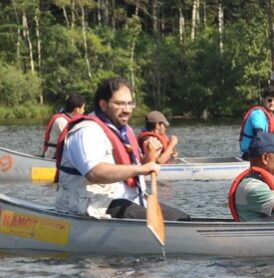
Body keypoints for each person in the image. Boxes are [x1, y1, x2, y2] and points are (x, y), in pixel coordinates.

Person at [54, 76, 189, 221]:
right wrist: (142, 169)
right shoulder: (87, 131)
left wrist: (149, 157)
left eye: (130, 104)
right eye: (120, 104)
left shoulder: (124, 130)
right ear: (103, 105)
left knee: (182, 218)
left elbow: (133, 170)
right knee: (174, 221)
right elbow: (94, 173)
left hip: (128, 200)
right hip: (96, 205)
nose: (127, 110)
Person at [239, 85, 274, 156]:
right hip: (252, 153)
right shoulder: (258, 114)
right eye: (269, 100)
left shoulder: (269, 115)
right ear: (263, 99)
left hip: (262, 151)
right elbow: (260, 137)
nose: (272, 103)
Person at [42, 93, 86, 157]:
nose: (84, 111)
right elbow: (72, 142)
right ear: (77, 109)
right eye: (83, 108)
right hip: (52, 156)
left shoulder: (69, 120)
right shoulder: (61, 121)